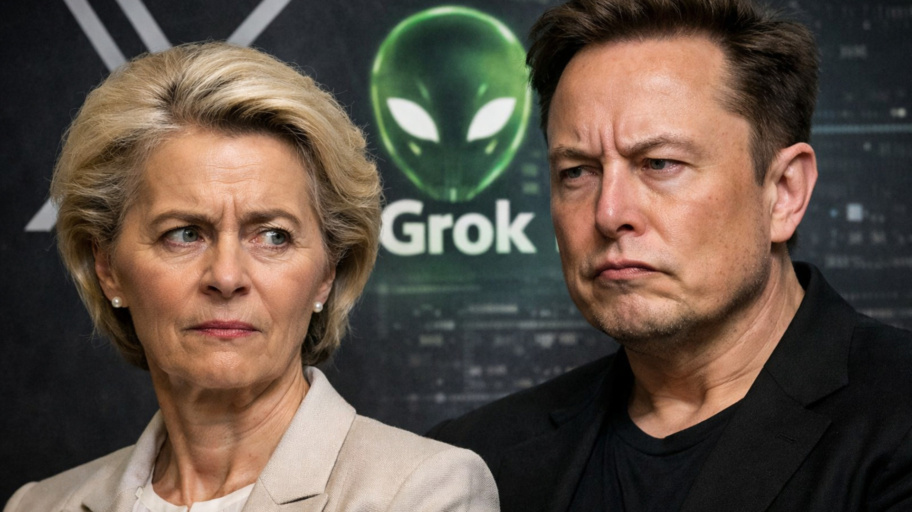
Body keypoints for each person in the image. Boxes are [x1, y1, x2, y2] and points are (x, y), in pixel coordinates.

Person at [429, 0, 912, 510]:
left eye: (660, 163)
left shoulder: (898, 418)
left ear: (784, 193)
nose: (609, 213)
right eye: (577, 172)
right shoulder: (471, 465)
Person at [4, 42, 498, 512]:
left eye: (273, 236)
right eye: (183, 234)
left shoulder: (421, 492)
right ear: (108, 268)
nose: (226, 276)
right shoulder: (38, 505)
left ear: (327, 272)